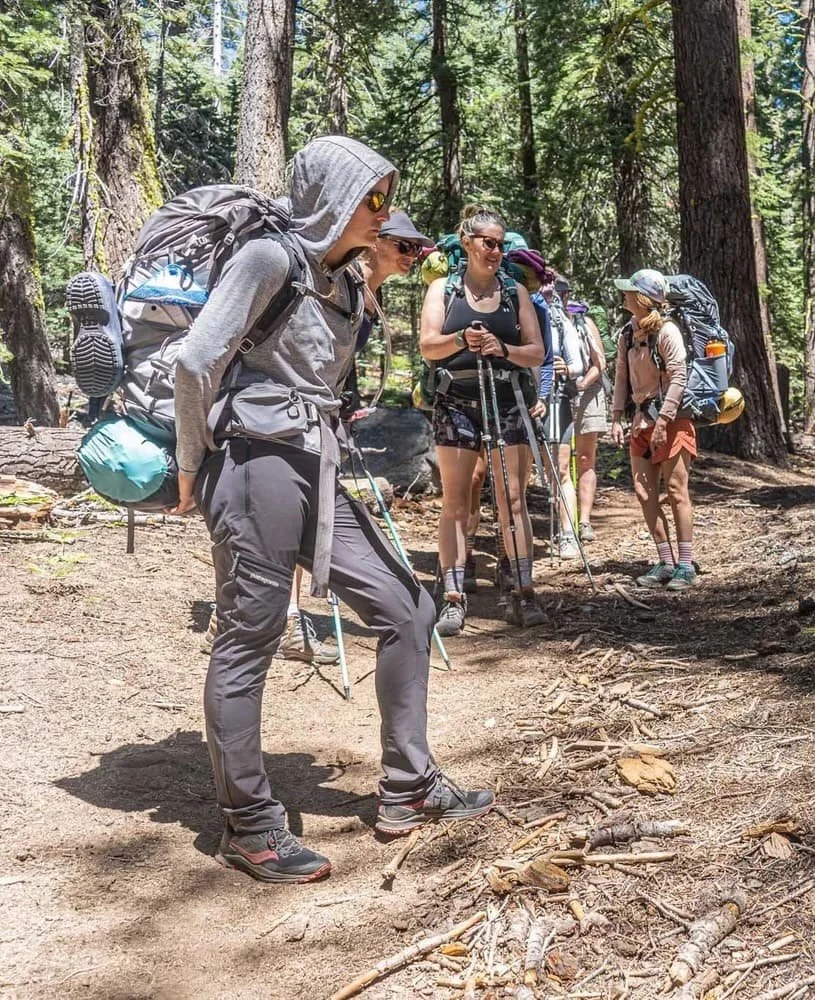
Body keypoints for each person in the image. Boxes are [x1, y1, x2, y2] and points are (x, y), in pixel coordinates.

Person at [168, 137, 493, 883]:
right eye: (372, 198)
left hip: (314, 465)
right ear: (332, 198)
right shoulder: (268, 258)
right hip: (254, 462)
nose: (383, 212)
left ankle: (408, 786)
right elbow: (196, 360)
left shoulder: (342, 280)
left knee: (408, 607)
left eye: (386, 198)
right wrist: (189, 463)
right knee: (250, 635)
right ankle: (250, 826)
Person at [270, 210, 436, 666]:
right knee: (296, 513)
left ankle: (268, 616)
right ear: (375, 242)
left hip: (320, 413)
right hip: (291, 414)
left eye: (417, 249)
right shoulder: (341, 283)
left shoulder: (366, 292)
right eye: (404, 245)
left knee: (303, 512)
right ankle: (282, 619)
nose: (413, 255)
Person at [418, 206, 548, 634]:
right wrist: (461, 339)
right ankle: (453, 598)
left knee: (513, 499)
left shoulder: (515, 293)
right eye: (487, 242)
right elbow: (428, 345)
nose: (495, 251)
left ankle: (523, 592)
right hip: (455, 402)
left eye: (500, 244)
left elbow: (537, 352)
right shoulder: (442, 290)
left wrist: (501, 349)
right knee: (455, 501)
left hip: (506, 400)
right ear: (467, 242)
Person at [609, 268, 697, 590]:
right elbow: (621, 377)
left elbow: (679, 377)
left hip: (672, 421)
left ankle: (685, 565)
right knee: (644, 491)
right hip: (641, 421)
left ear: (643, 298)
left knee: (676, 491)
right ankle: (665, 561)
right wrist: (617, 417)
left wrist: (663, 421)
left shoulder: (667, 331)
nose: (624, 295)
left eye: (630, 291)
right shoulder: (627, 334)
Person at [540, 275, 600, 559]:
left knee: (561, 468)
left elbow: (577, 364)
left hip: (556, 400)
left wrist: (565, 368)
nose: (550, 296)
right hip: (525, 401)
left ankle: (568, 534)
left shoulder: (561, 321)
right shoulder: (521, 313)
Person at [565, 294, 610, 542]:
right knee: (560, 462)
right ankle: (565, 521)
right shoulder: (544, 319)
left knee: (585, 458)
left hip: (588, 394)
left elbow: (599, 362)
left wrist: (581, 385)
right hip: (558, 394)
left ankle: (584, 521)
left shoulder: (584, 322)